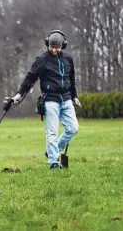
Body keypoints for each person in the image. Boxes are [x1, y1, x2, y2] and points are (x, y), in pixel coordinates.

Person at [10, 30, 82, 169]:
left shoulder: (68, 59)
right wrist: (19, 95)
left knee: (73, 129)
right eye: (52, 47)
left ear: (63, 45)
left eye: (57, 47)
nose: (54, 50)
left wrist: (74, 96)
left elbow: (71, 79)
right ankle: (54, 162)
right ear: (47, 44)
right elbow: (30, 78)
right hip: (50, 100)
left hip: (66, 99)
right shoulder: (42, 59)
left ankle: (51, 152)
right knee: (52, 132)